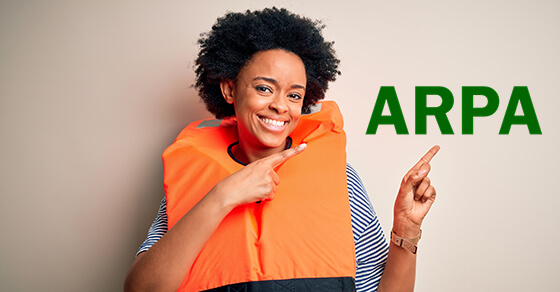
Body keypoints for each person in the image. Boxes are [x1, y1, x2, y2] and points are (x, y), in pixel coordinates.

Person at [124, 7, 439, 292]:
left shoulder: (339, 180)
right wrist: (222, 197)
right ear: (230, 89)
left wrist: (406, 230)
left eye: (294, 95)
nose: (279, 106)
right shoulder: (197, 179)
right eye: (264, 88)